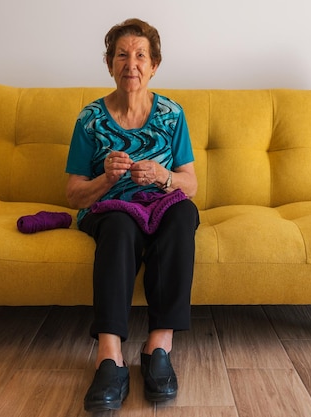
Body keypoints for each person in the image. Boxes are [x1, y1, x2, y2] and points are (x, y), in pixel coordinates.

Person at [65, 18, 199, 412]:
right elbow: (73, 193)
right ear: (109, 64)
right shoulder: (89, 118)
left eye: (141, 55)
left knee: (182, 216)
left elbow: (191, 184)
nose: (131, 63)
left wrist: (163, 176)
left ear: (154, 65)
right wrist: (105, 179)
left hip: (161, 204)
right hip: (110, 209)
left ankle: (159, 346)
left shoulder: (172, 114)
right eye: (122, 55)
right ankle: (109, 357)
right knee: (121, 226)